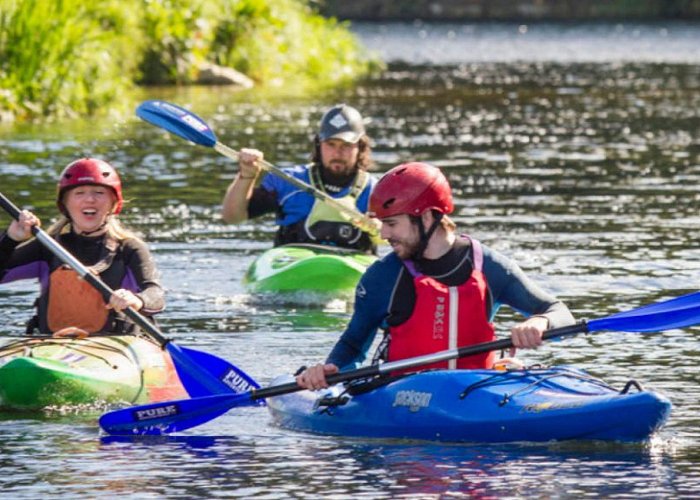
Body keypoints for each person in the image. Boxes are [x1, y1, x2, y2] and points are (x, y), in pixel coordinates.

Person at [296, 162, 576, 389]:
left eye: (392, 223)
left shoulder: (487, 265)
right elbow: (353, 345)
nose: (383, 235)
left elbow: (560, 312)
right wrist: (328, 370)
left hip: (479, 393)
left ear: (428, 216)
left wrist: (540, 322)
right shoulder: (382, 277)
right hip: (402, 400)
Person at [0, 158, 165, 337]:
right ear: (65, 203)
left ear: (113, 203)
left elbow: (156, 294)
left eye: (99, 192)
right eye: (79, 193)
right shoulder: (47, 247)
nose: (90, 199)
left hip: (117, 347)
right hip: (52, 344)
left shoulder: (129, 248)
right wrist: (10, 239)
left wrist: (137, 299)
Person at [221, 104, 378, 254]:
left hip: (353, 269)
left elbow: (398, 238)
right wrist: (247, 175)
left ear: (360, 147)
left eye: (346, 145)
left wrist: (382, 228)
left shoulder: (377, 190)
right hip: (293, 269)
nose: (337, 153)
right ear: (319, 145)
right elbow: (232, 217)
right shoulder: (287, 181)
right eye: (331, 144)